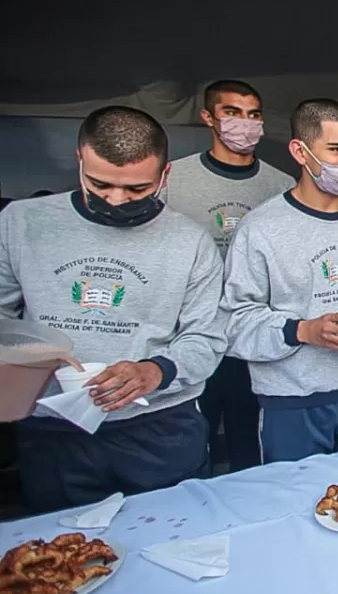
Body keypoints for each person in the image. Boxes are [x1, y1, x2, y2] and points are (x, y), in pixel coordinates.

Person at [0, 106, 225, 511]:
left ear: (165, 175)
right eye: (100, 184)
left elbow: (206, 338)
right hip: (54, 428)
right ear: (79, 160)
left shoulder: (190, 243)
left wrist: (155, 371)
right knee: (60, 556)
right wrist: (23, 363)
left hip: (158, 428)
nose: (117, 201)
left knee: (173, 537)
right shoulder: (20, 223)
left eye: (138, 189)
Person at [223, 99, 338, 463]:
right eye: (336, 149)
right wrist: (303, 331)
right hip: (292, 401)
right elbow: (233, 323)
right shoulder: (261, 228)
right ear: (300, 152)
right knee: (297, 506)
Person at [164, 80, 294, 472]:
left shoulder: (281, 185)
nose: (246, 123)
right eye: (232, 113)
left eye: (254, 115)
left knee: (249, 444)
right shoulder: (174, 180)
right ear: (208, 117)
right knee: (191, 443)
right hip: (191, 332)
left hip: (251, 335)